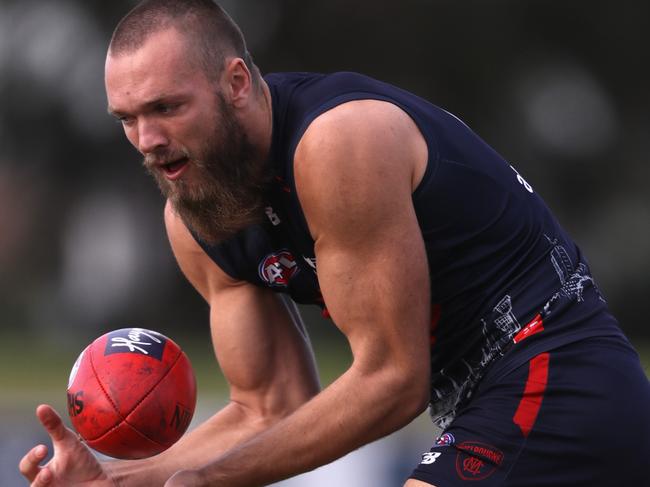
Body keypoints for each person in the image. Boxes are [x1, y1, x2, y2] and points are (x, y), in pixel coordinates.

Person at [19, 1, 650, 486]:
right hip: (479, 407)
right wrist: (123, 480)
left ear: (237, 82)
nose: (147, 139)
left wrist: (211, 479)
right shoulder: (194, 219)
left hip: (557, 371)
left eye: (166, 107)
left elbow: (394, 381)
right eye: (127, 118)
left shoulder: (339, 142)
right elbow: (269, 406)